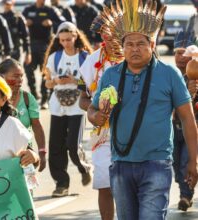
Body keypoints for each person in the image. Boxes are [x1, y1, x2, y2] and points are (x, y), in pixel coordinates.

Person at [88, 1, 198, 219]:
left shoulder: (169, 74)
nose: (135, 49)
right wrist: (97, 116)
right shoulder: (111, 75)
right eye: (129, 44)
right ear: (122, 46)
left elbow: (187, 119)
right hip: (120, 164)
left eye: (141, 44)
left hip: (157, 163)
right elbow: (91, 110)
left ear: (152, 45)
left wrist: (193, 161)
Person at [78, 13, 124, 220]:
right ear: (102, 34)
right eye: (107, 32)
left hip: (135, 129)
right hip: (103, 132)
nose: (111, 36)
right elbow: (83, 100)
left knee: (130, 186)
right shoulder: (91, 62)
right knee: (105, 184)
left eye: (116, 31)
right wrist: (96, 112)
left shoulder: (138, 55)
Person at [43, 22, 93, 197]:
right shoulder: (54, 57)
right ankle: (61, 183)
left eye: (69, 39)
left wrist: (74, 80)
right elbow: (47, 82)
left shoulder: (85, 57)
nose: (66, 43)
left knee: (73, 145)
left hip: (78, 107)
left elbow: (92, 83)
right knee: (56, 146)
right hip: (58, 105)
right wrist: (56, 81)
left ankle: (84, 167)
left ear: (76, 36)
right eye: (62, 40)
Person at [0, 58, 46, 172]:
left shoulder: (28, 99)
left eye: (21, 76)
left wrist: (41, 153)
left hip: (24, 156)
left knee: (26, 190)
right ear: (2, 77)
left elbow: (37, 126)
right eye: (15, 76)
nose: (20, 80)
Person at [172, 29, 198, 211]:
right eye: (177, 53)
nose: (181, 57)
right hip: (174, 129)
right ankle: (185, 190)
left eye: (185, 53)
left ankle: (185, 196)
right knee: (175, 163)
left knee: (186, 162)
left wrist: (192, 94)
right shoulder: (172, 77)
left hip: (192, 130)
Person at [22, 0, 64, 109]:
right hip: (31, 46)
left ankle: (44, 99)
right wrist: (25, 23)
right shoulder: (28, 10)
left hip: (45, 46)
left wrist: (51, 23)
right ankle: (34, 95)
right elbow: (18, 23)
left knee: (45, 72)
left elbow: (62, 23)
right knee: (28, 70)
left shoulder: (51, 10)